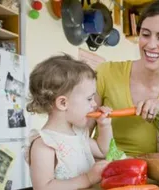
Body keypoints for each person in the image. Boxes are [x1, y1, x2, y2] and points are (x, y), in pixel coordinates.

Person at [89, 0, 159, 157]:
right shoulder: (106, 73)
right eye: (145, 34)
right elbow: (79, 136)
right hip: (106, 172)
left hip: (155, 177)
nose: (151, 45)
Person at [24, 55, 113, 190]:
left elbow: (103, 151)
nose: (94, 104)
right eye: (89, 99)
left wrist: (105, 125)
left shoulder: (79, 134)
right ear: (63, 103)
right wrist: (87, 178)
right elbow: (43, 187)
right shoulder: (45, 144)